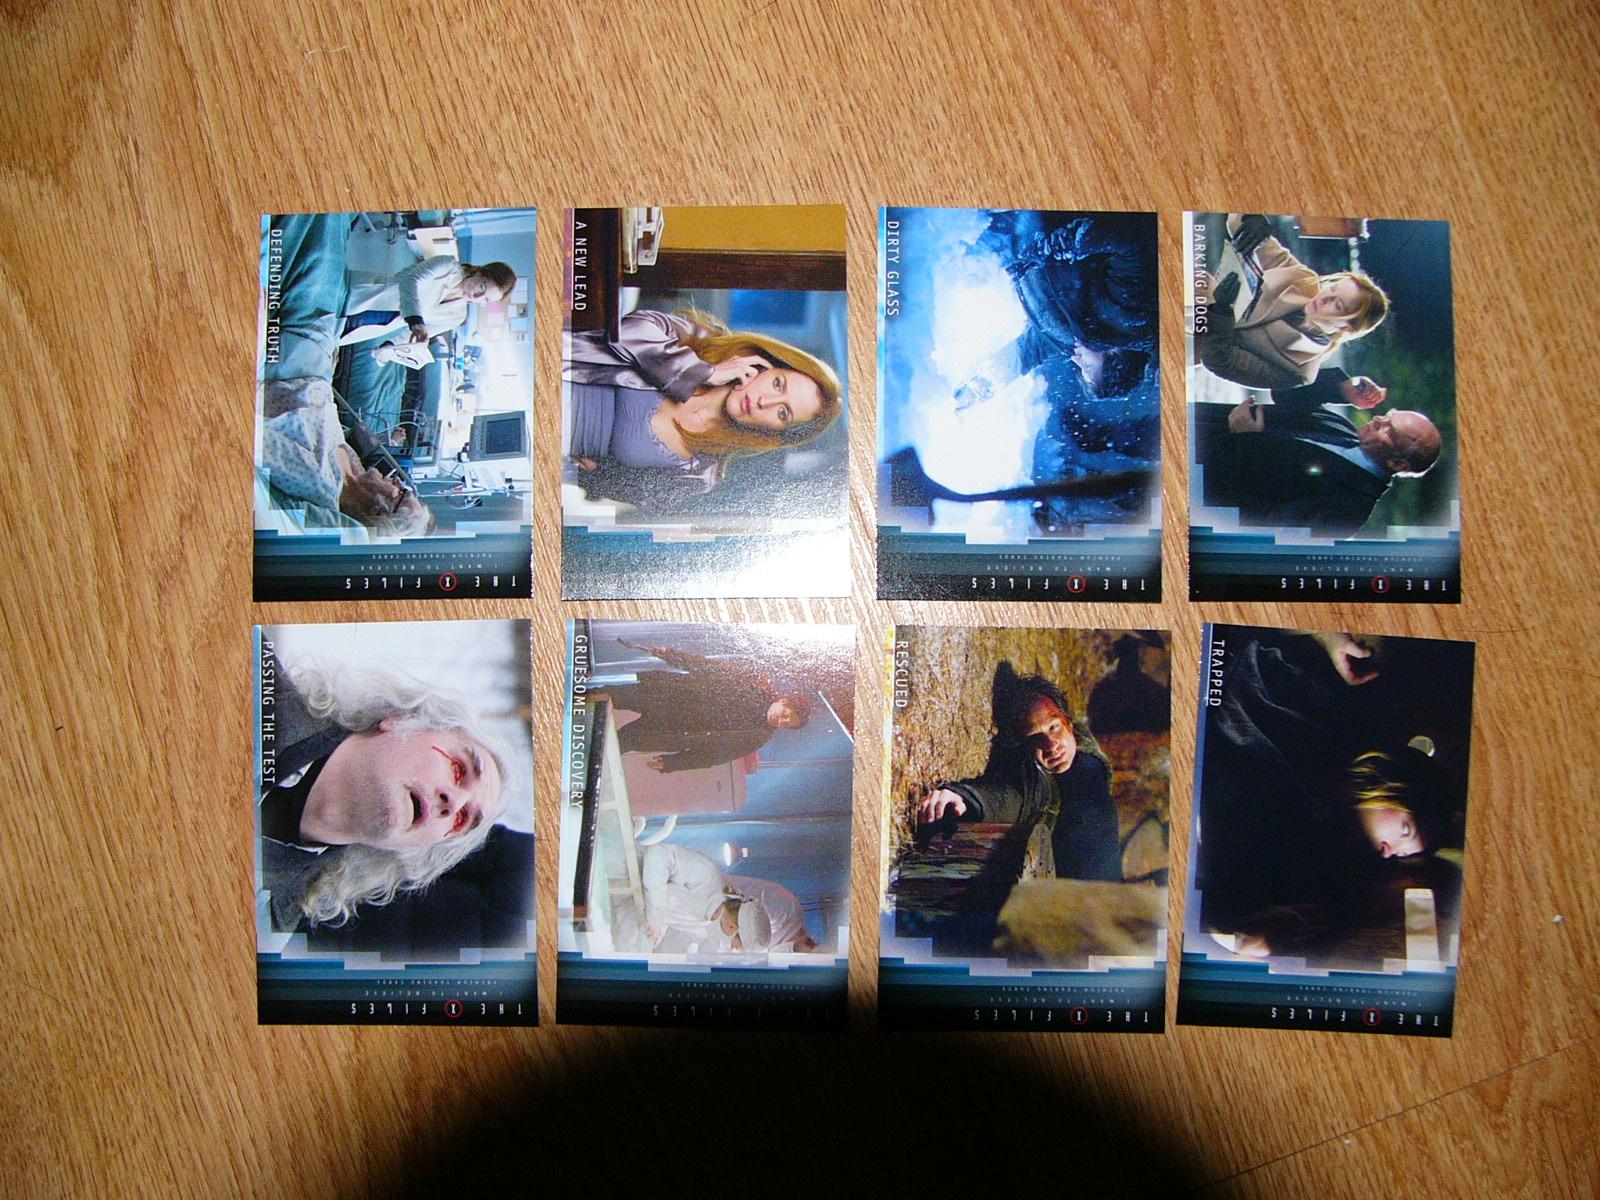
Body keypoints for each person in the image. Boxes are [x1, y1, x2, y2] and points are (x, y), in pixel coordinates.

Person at [1197, 630, 1462, 957]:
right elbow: (1239, 651)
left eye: (1400, 855)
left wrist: (1241, 935)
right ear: (1395, 786)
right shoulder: (1323, 708)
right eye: (1404, 832)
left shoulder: (1317, 846)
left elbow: (1221, 898)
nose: (1389, 852)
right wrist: (1321, 637)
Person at [257, 644, 510, 931]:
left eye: (461, 819)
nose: (453, 804)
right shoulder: (252, 679)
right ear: (402, 721)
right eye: (458, 769)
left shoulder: (266, 927)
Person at [563, 309, 842, 511]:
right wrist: (704, 373)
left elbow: (610, 486)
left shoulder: (700, 475)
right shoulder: (705, 340)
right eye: (778, 384)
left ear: (775, 433)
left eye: (783, 413)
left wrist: (595, 475)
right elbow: (630, 331)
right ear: (768, 365)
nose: (765, 402)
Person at [915, 663, 1122, 883]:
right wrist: (964, 797)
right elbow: (1006, 798)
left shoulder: (1086, 749)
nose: (1052, 746)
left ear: (1069, 725)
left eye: (1054, 727)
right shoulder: (1038, 785)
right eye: (1035, 738)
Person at [1192, 369, 1441, 537]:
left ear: (1397, 463)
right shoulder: (1343, 428)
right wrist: (1341, 389)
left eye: (1389, 430)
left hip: (1186, 483)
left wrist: (1246, 441)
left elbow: (1264, 531)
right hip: (1188, 424)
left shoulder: (1349, 512)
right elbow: (1285, 393)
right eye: (1387, 416)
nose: (1378, 420)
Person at [1196, 213, 1389, 389]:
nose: (1324, 297)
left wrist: (1222, 312)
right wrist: (1253, 221)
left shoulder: (1300, 371)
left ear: (1346, 328)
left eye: (1337, 305)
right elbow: (1237, 223)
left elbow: (1220, 362)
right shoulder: (1303, 280)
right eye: (1332, 288)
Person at [600, 639, 812, 773]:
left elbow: (714, 756)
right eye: (785, 715)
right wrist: (671, 655)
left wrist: (674, 764)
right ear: (784, 701)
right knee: (605, 696)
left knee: (613, 746)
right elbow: (709, 667)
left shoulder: (758, 737)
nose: (781, 721)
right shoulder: (755, 683)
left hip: (670, 730)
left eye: (786, 724)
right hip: (667, 695)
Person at [258, 377, 436, 536]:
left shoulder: (320, 481)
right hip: (315, 376)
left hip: (278, 379)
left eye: (401, 493)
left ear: (376, 510)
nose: (399, 480)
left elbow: (259, 441)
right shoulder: (357, 468)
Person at [339, 255, 516, 346]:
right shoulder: (448, 265)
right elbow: (410, 281)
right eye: (482, 288)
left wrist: (391, 347)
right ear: (479, 272)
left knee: (333, 334)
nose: (477, 297)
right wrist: (416, 321)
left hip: (376, 324)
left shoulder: (457, 316)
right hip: (363, 294)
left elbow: (416, 335)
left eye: (485, 299)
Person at [639, 844, 783, 953]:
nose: (728, 949)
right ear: (732, 927)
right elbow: (658, 855)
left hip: (634, 911)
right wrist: (656, 910)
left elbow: (675, 939)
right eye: (733, 946)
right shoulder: (709, 875)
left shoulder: (706, 928)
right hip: (631, 872)